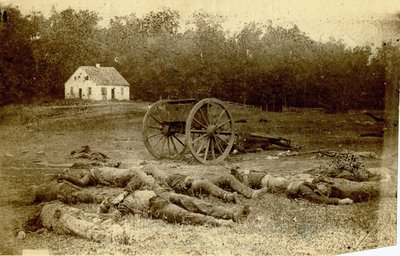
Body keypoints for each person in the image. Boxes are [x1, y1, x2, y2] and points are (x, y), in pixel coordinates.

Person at [100, 168, 251, 225]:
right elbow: (113, 218)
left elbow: (139, 177)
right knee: (186, 215)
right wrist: (103, 212)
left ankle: (232, 214)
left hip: (162, 195)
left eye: (108, 199)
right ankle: (220, 222)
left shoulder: (128, 190)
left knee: (195, 203)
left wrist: (124, 193)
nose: (109, 200)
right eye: (107, 202)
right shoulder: (122, 208)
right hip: (156, 206)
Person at [56, 164, 268, 203]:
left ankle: (250, 193)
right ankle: (227, 197)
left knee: (226, 177)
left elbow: (146, 170)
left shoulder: (157, 173)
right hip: (187, 184)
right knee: (203, 182)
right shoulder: (156, 182)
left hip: (184, 180)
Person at [230, 154, 385, 205]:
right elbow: (317, 198)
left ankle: (380, 182)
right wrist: (340, 202)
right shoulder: (303, 188)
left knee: (360, 184)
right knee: (366, 188)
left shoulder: (302, 183)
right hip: (339, 189)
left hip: (332, 183)